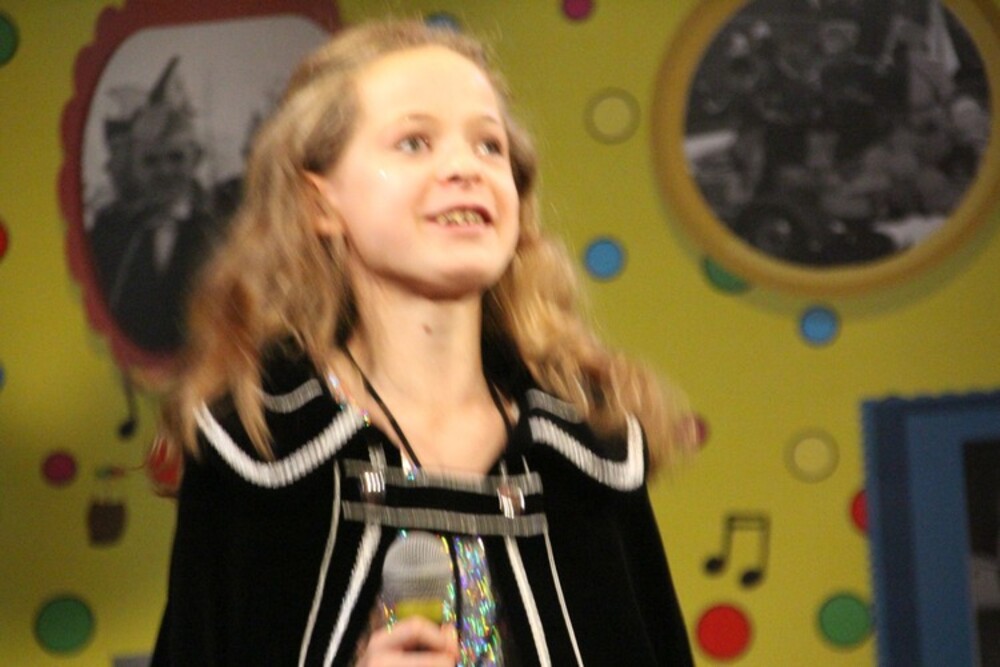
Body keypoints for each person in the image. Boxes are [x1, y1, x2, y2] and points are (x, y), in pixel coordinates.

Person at [151, 19, 695, 666]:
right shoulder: (262, 445)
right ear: (319, 203)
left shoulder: (585, 451)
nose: (465, 168)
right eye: (414, 142)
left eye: (489, 146)